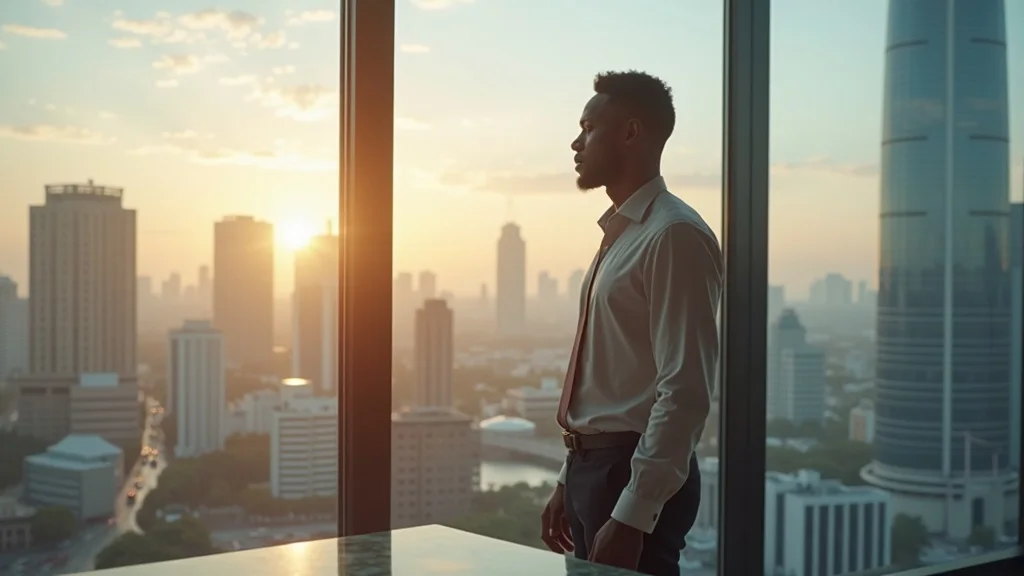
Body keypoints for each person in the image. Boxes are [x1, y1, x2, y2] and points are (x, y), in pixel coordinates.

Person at [540, 70, 723, 576]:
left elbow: (684, 389)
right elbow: (609, 379)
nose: (575, 143)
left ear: (630, 132)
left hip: (627, 473)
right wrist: (568, 477)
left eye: (588, 128)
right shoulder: (623, 234)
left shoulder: (674, 235)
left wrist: (632, 515)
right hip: (596, 470)